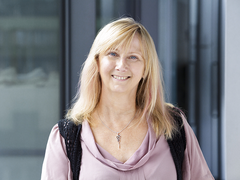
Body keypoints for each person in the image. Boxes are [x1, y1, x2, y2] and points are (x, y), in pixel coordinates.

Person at [41, 17, 214, 180]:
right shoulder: (67, 137)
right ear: (97, 62)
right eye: (113, 54)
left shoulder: (174, 125)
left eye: (133, 57)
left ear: (146, 69)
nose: (121, 65)